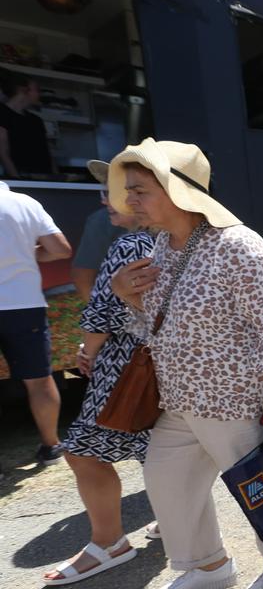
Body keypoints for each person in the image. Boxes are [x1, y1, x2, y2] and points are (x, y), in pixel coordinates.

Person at [107, 139, 263, 589]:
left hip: (235, 402)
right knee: (167, 483)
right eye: (129, 190)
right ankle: (209, 567)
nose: (130, 201)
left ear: (177, 189)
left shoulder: (239, 246)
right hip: (179, 400)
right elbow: (160, 328)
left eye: (141, 190)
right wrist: (130, 299)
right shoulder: (163, 246)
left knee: (262, 491)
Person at [43, 184, 155, 586]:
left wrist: (87, 350)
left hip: (124, 366)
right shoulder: (171, 241)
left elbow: (106, 309)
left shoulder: (129, 245)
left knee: (82, 453)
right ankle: (173, 521)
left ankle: (109, 544)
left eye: (117, 192)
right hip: (159, 364)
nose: (105, 200)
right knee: (155, 448)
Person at [0, 178, 70, 467]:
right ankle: (51, 446)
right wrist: (31, 253)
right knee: (39, 382)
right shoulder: (25, 203)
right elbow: (60, 249)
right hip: (24, 304)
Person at [70, 161, 128, 301]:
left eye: (114, 192)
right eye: (106, 192)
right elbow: (83, 275)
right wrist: (101, 318)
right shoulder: (102, 220)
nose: (105, 201)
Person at [0, 69, 55, 177]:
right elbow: (3, 153)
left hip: (46, 180)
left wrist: (57, 180)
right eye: (37, 89)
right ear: (23, 89)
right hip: (22, 180)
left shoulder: (36, 120)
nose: (39, 93)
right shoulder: (2, 113)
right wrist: (18, 181)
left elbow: (49, 155)